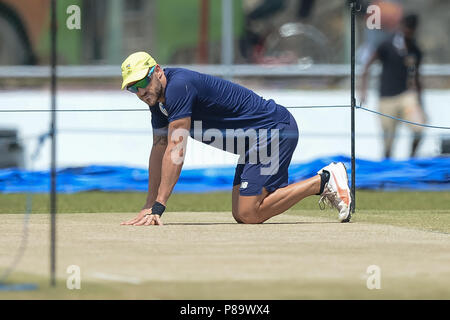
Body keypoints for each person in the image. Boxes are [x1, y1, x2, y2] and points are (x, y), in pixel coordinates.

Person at [119, 51, 352, 226]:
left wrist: (159, 206)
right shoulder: (158, 102)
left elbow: (175, 150)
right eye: (133, 88)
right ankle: (323, 182)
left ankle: (323, 181)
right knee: (241, 214)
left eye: (143, 82)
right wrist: (148, 205)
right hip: (254, 141)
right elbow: (159, 148)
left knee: (250, 211)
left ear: (157, 70)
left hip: (272, 130)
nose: (140, 92)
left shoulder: (178, 87)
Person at [360, 13, 425, 158]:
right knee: (388, 143)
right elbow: (367, 65)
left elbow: (417, 76)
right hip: (386, 97)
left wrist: (420, 100)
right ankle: (387, 168)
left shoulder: (415, 50)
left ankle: (412, 159)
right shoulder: (387, 45)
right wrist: (363, 90)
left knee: (419, 128)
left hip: (406, 96)